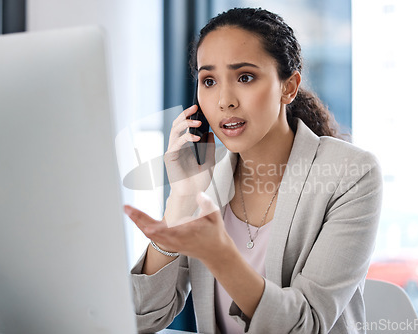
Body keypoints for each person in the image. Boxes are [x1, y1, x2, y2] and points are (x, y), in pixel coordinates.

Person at [124, 7, 383, 334]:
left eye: (244, 77)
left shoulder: (350, 174)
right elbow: (137, 319)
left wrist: (219, 254)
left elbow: (307, 325)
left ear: (288, 87)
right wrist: (183, 197)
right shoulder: (207, 180)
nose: (224, 101)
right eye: (209, 81)